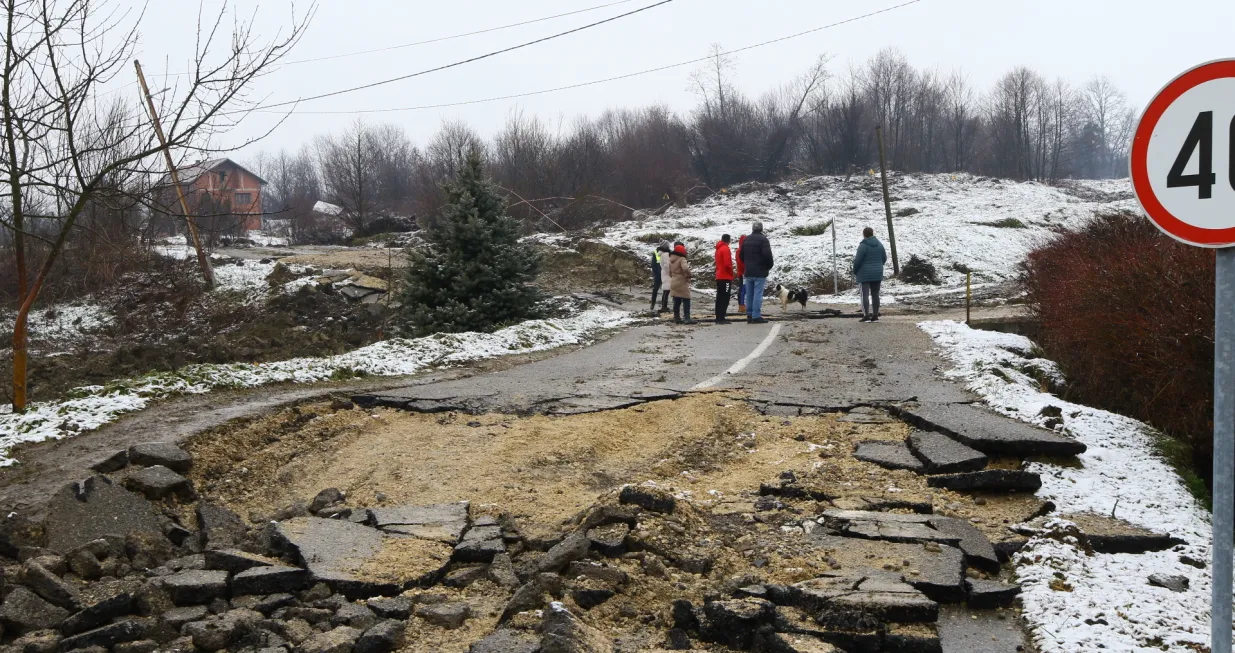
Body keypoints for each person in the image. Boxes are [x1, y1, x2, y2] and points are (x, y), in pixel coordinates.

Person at [740, 222, 774, 324]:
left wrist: (747, 264)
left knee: (749, 294)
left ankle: (749, 314)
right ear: (761, 229)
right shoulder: (763, 240)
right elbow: (767, 256)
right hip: (760, 271)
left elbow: (741, 255)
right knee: (757, 294)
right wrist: (768, 266)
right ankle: (756, 315)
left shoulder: (746, 239)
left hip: (748, 271)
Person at [853, 226, 888, 322]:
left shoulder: (863, 246)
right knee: (875, 294)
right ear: (872, 233)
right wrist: (878, 266)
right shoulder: (880, 245)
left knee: (864, 295)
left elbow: (858, 261)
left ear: (864, 235)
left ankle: (866, 315)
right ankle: (875, 314)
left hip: (864, 274)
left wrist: (855, 271)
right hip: (877, 273)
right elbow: (884, 258)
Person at [669, 243, 696, 324]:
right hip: (681, 282)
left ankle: (676, 317)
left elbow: (669, 273)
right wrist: (689, 275)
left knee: (677, 300)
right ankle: (687, 318)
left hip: (673, 282)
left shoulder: (671, 259)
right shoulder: (682, 259)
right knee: (686, 299)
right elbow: (685, 268)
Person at [713, 234, 735, 325]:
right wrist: (732, 273)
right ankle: (721, 317)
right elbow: (727, 264)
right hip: (725, 276)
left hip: (719, 276)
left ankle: (718, 316)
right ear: (728, 240)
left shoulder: (718, 249)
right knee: (725, 297)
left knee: (719, 297)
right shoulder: (725, 249)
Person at [650, 242, 670, 312]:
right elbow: (653, 264)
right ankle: (653, 304)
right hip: (659, 274)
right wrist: (656, 273)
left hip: (664, 273)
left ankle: (664, 306)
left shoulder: (669, 253)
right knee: (656, 289)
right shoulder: (656, 252)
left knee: (665, 290)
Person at [658, 241, 674, 312]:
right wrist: (671, 273)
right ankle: (664, 307)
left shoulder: (662, 254)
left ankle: (664, 306)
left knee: (666, 291)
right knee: (667, 291)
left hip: (664, 274)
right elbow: (667, 265)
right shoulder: (666, 254)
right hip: (667, 275)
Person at [735, 234, 748, 314]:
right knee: (742, 290)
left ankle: (742, 305)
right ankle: (741, 306)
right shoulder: (740, 250)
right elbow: (740, 262)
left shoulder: (742, 250)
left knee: (744, 289)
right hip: (742, 273)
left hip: (743, 272)